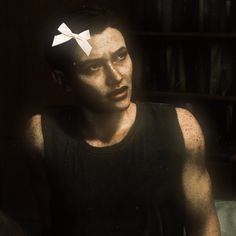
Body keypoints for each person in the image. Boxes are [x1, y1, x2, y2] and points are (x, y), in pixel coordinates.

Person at [26, 8, 220, 236]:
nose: (116, 76)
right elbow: (50, 224)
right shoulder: (42, 135)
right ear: (63, 80)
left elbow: (204, 226)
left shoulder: (181, 127)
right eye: (94, 67)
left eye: (120, 56)